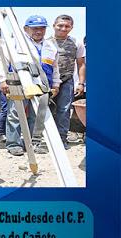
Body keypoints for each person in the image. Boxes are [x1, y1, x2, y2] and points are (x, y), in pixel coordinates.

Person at [0, 15, 61, 156]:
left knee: (38, 115)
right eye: (35, 28)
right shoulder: (16, 43)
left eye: (42, 28)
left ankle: (35, 143)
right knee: (15, 113)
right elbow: (2, 61)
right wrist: (3, 80)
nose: (39, 31)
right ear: (26, 29)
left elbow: (55, 67)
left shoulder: (51, 46)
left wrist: (56, 84)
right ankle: (13, 144)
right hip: (19, 83)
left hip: (42, 86)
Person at [47, 15, 86, 149]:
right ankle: (43, 140)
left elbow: (81, 64)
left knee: (64, 110)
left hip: (67, 81)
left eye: (67, 26)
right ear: (54, 25)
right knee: (45, 110)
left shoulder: (76, 43)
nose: (63, 28)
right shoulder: (46, 43)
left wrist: (81, 83)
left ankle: (61, 139)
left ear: (71, 27)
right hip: (47, 82)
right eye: (60, 25)